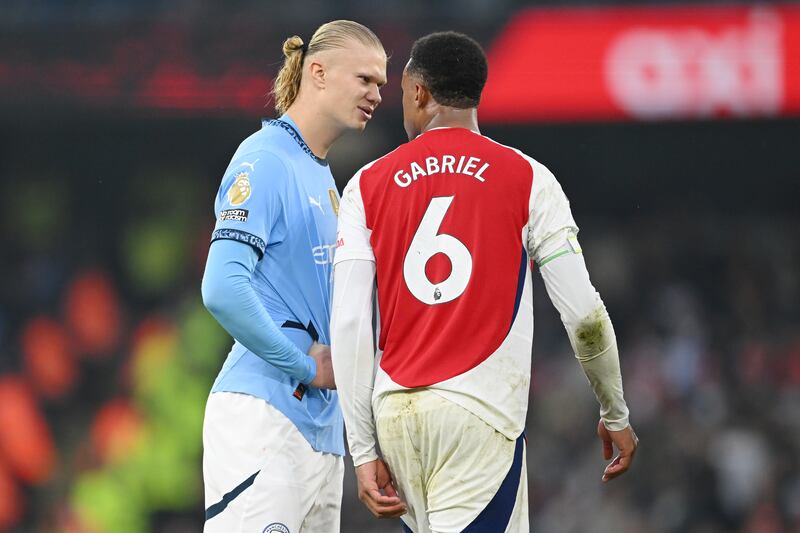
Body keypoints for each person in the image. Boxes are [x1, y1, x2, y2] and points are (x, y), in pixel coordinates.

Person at [330, 31, 638, 532]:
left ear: (420, 93)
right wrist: (615, 411)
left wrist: (362, 449)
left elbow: (348, 323)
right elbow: (583, 313)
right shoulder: (529, 178)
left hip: (394, 415)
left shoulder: (366, 184)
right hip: (477, 415)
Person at [200, 20, 386, 533]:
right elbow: (222, 288)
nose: (375, 95)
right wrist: (302, 366)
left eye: (381, 85)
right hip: (265, 417)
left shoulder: (321, 174)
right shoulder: (264, 160)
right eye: (365, 80)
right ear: (318, 72)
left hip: (321, 433)